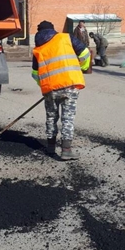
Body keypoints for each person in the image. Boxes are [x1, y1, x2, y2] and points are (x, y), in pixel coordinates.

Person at [31, 21, 90, 160]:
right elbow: (85, 53)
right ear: (53, 30)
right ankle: (66, 150)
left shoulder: (38, 49)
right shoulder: (65, 38)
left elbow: (35, 74)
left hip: (50, 89)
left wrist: (45, 86)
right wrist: (82, 68)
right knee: (68, 117)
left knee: (51, 117)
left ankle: (50, 147)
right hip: (69, 85)